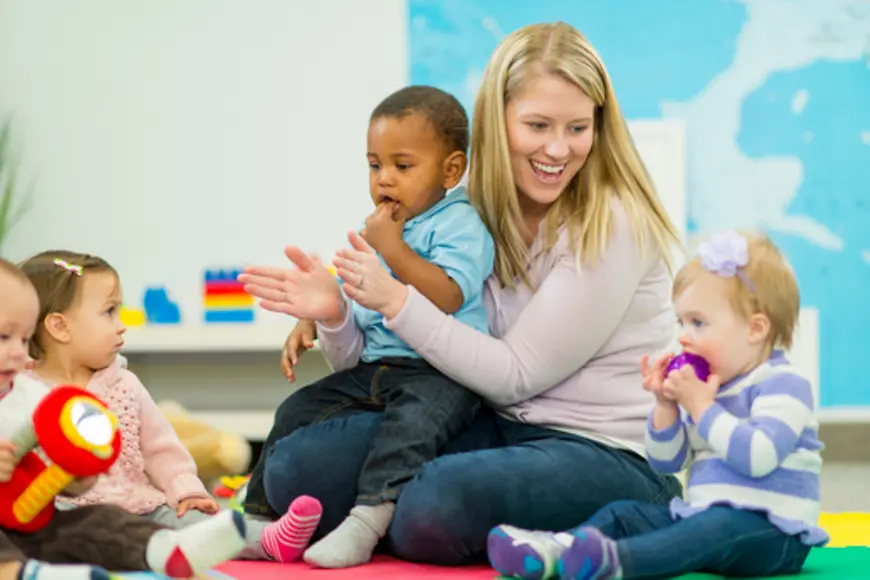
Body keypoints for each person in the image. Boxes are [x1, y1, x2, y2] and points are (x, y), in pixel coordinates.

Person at [241, 21, 684, 565]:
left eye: (577, 128)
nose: (557, 148)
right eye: (537, 125)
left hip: (598, 448)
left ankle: (639, 513)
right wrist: (335, 313)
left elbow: (517, 374)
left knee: (433, 504)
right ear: (498, 124)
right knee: (294, 470)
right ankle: (405, 521)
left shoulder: (614, 223)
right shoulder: (463, 210)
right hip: (491, 424)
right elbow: (370, 357)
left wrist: (397, 300)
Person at [240, 85, 495, 568]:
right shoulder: (384, 229)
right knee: (298, 408)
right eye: (375, 165)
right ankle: (260, 520)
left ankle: (368, 519)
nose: (385, 180)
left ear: (451, 170)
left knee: (408, 430)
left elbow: (447, 294)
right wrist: (316, 317)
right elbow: (361, 299)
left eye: (403, 166)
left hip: (440, 375)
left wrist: (393, 246)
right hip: (379, 367)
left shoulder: (459, 224)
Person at [487, 231, 828, 580]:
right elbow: (667, 462)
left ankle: (617, 563)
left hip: (774, 534)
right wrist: (665, 407)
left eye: (698, 323)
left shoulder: (783, 386)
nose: (683, 335)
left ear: (755, 329)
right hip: (702, 519)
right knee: (624, 514)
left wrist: (701, 408)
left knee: (717, 525)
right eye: (681, 321)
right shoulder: (709, 390)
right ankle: (557, 552)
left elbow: (758, 457)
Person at [18, 251, 323, 564]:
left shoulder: (124, 384)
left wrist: (187, 491)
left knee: (198, 525)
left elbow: (161, 449)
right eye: (109, 312)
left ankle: (269, 538)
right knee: (58, 538)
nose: (121, 325)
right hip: (68, 518)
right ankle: (159, 554)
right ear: (60, 327)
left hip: (144, 508)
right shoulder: (23, 393)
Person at [0, 257, 246, 580]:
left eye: (24, 339)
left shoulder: (32, 397)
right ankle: (22, 574)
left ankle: (162, 550)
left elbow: (52, 476)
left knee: (97, 521)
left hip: (37, 525)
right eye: (6, 338)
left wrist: (76, 477)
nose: (21, 351)